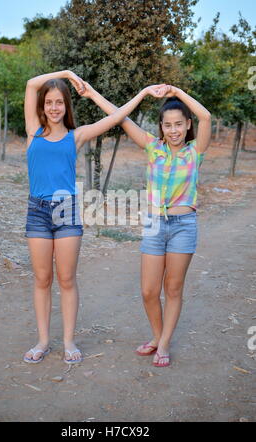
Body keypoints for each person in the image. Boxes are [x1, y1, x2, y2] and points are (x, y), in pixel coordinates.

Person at [23, 69, 168, 364]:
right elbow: (30, 84)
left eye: (59, 102)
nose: (53, 107)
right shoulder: (32, 130)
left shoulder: (77, 136)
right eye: (49, 102)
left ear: (66, 106)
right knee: (42, 278)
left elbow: (115, 119)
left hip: (66, 210)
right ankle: (42, 341)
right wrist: (65, 73)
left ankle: (68, 342)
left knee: (66, 278)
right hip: (37, 210)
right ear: (42, 106)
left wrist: (141, 93)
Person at [79, 81, 211, 367]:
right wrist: (93, 94)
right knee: (149, 291)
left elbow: (206, 117)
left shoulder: (195, 152)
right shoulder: (153, 148)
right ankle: (156, 335)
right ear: (161, 126)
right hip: (154, 223)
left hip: (183, 225)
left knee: (173, 289)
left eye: (179, 124)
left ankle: (163, 344)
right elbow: (121, 117)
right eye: (167, 125)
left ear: (187, 125)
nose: (173, 130)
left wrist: (177, 93)